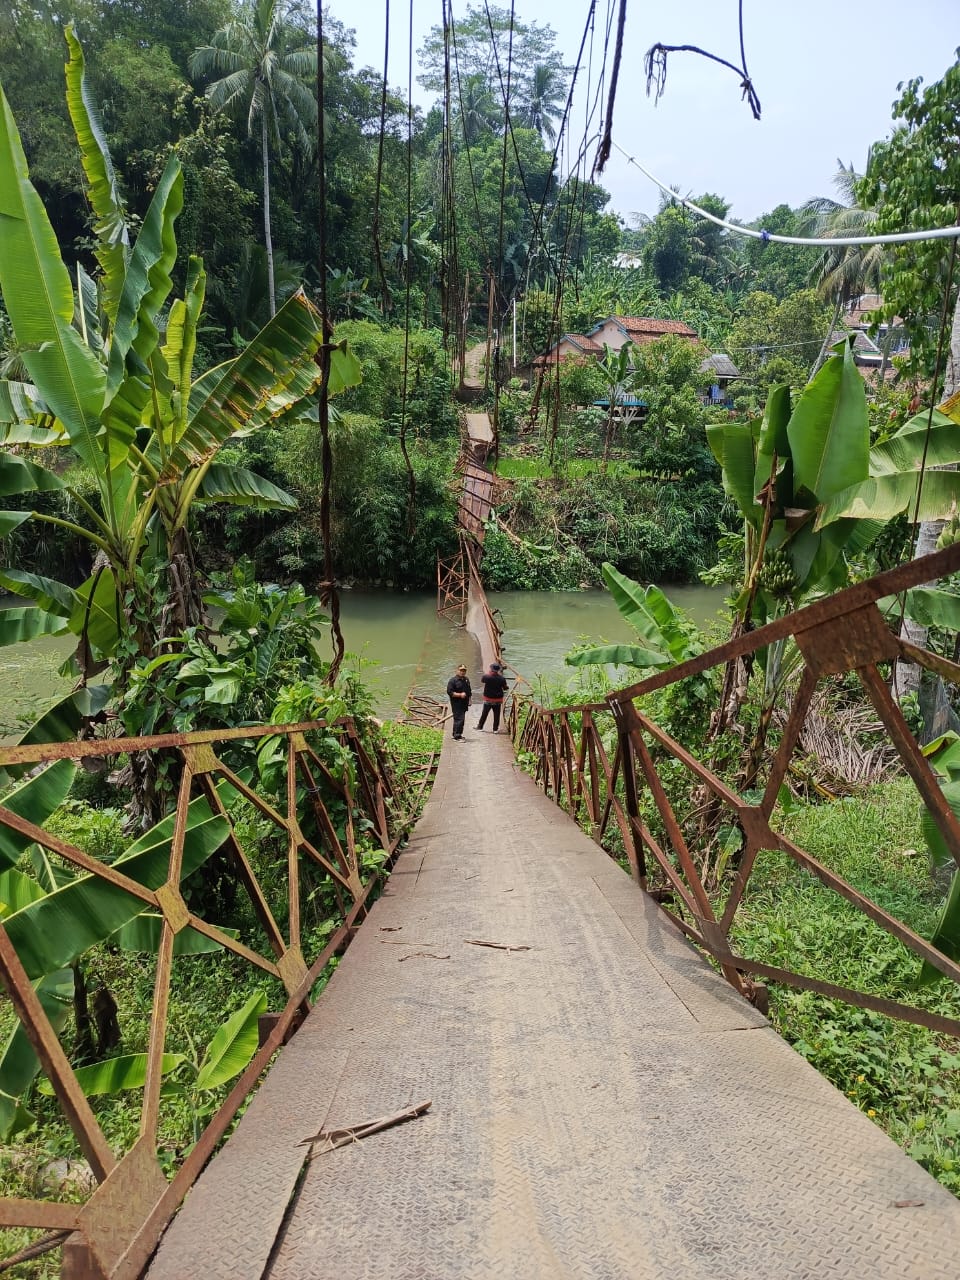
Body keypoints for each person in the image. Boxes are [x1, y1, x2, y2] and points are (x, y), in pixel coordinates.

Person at [475, 661, 509, 733]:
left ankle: (480, 727)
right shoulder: (502, 678)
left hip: (488, 699)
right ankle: (495, 729)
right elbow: (505, 687)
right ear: (498, 670)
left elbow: (482, 680)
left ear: (491, 669)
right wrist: (506, 686)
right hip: (498, 700)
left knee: (484, 713)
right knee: (496, 714)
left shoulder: (486, 677)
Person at [446, 663, 471, 740]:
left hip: (464, 703)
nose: (462, 672)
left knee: (461, 720)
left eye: (464, 671)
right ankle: (456, 736)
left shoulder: (466, 679)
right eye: (461, 670)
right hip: (456, 704)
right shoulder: (452, 681)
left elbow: (469, 690)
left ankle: (458, 734)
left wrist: (470, 700)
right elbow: (450, 692)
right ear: (457, 671)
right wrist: (460, 695)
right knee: (459, 719)